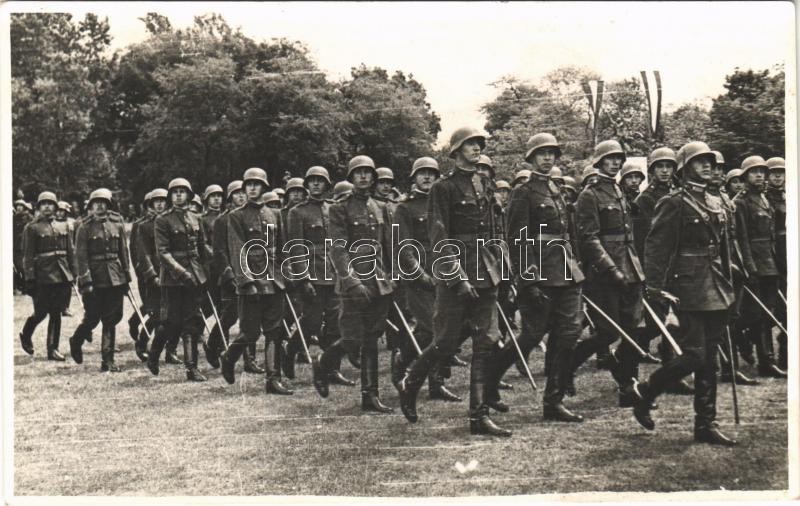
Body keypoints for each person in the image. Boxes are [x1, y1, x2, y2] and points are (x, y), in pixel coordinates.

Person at [397, 127, 509, 436]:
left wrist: (501, 267)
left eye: (479, 144)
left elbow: (493, 231)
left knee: (485, 342)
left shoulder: (484, 183)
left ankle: (478, 415)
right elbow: (439, 236)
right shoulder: (443, 188)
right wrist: (457, 277)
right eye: (470, 144)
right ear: (457, 151)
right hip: (455, 273)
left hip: (485, 271)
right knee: (445, 342)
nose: (477, 148)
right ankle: (411, 382)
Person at [631, 141, 737, 446]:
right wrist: (655, 288)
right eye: (699, 161)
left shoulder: (714, 200)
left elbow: (722, 246)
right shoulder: (674, 202)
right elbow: (655, 246)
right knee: (693, 356)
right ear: (685, 166)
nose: (707, 166)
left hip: (715, 284)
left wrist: (730, 274)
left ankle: (705, 423)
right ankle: (647, 389)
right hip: (686, 286)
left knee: (710, 360)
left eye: (710, 161)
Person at [489, 133, 585, 422]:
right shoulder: (524, 192)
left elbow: (567, 232)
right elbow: (517, 238)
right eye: (541, 153)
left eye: (551, 153)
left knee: (569, 333)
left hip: (565, 271)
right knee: (532, 334)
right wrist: (528, 280)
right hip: (539, 272)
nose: (547, 158)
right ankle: (488, 381)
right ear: (531, 158)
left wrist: (575, 264)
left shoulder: (556, 189)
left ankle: (553, 400)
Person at [311, 155, 396, 413]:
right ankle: (323, 363)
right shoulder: (340, 208)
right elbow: (338, 249)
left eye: (368, 172)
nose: (364, 176)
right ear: (351, 177)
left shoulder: (381, 207)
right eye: (358, 172)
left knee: (372, 337)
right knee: (351, 338)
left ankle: (370, 395)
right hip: (353, 282)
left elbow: (388, 246)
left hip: (378, 281)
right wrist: (351, 281)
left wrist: (393, 275)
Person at [572, 140, 652, 407]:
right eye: (610, 158)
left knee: (634, 329)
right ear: (599, 162)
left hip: (631, 267)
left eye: (619, 158)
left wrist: (634, 267)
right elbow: (589, 238)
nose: (615, 162)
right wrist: (611, 268)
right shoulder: (590, 195)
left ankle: (628, 386)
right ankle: (567, 366)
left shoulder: (619, 191)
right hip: (604, 273)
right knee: (607, 333)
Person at [389, 156, 460, 402]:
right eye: (422, 173)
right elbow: (403, 247)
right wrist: (420, 275)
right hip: (418, 278)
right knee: (431, 329)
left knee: (441, 330)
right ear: (414, 178)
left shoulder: (444, 204)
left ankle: (434, 383)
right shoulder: (404, 208)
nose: (427, 177)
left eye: (432, 173)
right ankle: (403, 361)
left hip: (444, 273)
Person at [220, 168, 292, 394]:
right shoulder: (236, 216)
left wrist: (286, 274)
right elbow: (238, 250)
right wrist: (246, 281)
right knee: (250, 333)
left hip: (274, 280)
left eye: (256, 184)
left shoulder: (275, 214)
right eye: (248, 184)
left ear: (264, 187)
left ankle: (273, 379)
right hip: (251, 281)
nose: (252, 188)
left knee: (274, 331)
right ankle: (228, 357)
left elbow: (282, 248)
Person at [285, 166, 354, 386]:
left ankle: (332, 370)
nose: (316, 184)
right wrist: (302, 278)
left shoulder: (334, 209)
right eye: (312, 180)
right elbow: (295, 247)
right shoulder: (297, 212)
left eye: (320, 180)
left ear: (326, 184)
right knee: (312, 322)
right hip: (312, 273)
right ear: (307, 185)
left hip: (334, 272)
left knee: (335, 323)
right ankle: (290, 350)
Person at [146, 178, 210, 382]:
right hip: (173, 279)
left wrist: (206, 273)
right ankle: (154, 353)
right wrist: (182, 273)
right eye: (175, 192)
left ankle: (192, 368)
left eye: (183, 191)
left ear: (189, 195)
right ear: (170, 196)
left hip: (195, 275)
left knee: (192, 321)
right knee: (171, 323)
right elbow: (162, 253)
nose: (179, 195)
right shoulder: (162, 220)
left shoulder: (196, 218)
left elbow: (202, 249)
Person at [705, 153, 758, 386]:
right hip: (714, 266)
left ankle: (730, 368)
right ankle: (716, 366)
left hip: (734, 264)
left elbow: (739, 236)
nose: (717, 172)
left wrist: (745, 265)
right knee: (716, 319)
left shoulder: (726, 199)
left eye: (720, 168)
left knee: (733, 317)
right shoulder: (700, 199)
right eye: (713, 168)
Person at [733, 156, 786, 378]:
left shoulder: (764, 198)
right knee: (756, 314)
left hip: (770, 263)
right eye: (754, 172)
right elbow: (742, 238)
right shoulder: (740, 202)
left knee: (768, 313)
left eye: (762, 172)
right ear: (745, 176)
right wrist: (749, 267)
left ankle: (766, 359)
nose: (759, 175)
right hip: (754, 263)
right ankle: (756, 352)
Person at [69, 188, 132, 371]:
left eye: (103, 203)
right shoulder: (84, 227)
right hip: (95, 278)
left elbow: (123, 251)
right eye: (96, 203)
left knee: (112, 318)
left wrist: (126, 276)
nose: (99, 206)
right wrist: (86, 280)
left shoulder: (117, 224)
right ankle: (76, 339)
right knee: (93, 318)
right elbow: (81, 257)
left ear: (108, 205)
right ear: (91, 206)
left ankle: (107, 360)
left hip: (115, 276)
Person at [19, 191, 75, 360]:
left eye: (50, 204)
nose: (47, 207)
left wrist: (74, 272)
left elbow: (70, 251)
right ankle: (26, 333)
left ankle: (52, 349)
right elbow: (27, 255)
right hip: (41, 276)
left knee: (56, 312)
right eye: (43, 204)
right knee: (41, 312)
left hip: (61, 274)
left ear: (56, 207)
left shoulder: (63, 226)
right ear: (38, 207)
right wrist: (29, 277)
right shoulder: (31, 228)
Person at [764, 156, 786, 369]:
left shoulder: (789, 196)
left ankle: (786, 356)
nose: (778, 176)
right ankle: (767, 356)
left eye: (782, 172)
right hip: (771, 258)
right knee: (771, 309)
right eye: (773, 173)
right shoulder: (764, 199)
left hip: (787, 257)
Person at [13, 199, 33, 293]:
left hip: (25, 246)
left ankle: (26, 286)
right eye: (17, 205)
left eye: (21, 206)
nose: (19, 207)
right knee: (17, 266)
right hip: (16, 246)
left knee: (23, 266)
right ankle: (21, 285)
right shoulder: (14, 218)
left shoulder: (29, 218)